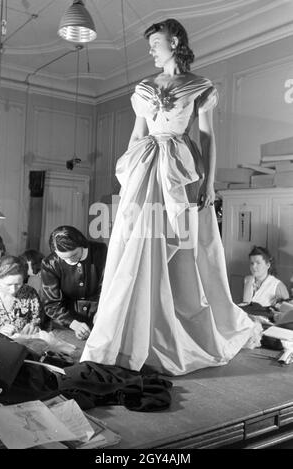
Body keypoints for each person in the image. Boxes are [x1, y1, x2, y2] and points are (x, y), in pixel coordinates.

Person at [81, 18, 261, 375]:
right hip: (146, 168)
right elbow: (137, 135)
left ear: (175, 41)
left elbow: (207, 137)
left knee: (182, 248)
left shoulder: (199, 86)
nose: (150, 49)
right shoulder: (144, 87)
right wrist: (126, 182)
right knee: (137, 246)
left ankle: (176, 329)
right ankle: (131, 333)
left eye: (155, 42)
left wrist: (209, 184)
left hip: (181, 168)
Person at [41, 225, 107, 340]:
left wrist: (102, 311)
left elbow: (108, 287)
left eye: (74, 255)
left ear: (81, 243)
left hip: (100, 318)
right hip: (66, 324)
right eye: (64, 258)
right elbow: (51, 304)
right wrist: (73, 324)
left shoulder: (100, 252)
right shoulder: (50, 263)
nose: (70, 260)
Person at [0, 255, 42, 336]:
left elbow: (37, 320)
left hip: (22, 344)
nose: (13, 289)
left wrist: (34, 328)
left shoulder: (29, 293)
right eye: (8, 285)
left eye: (18, 284)